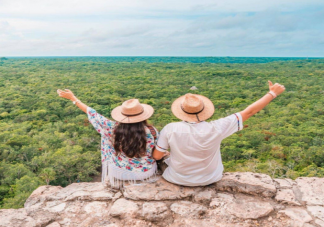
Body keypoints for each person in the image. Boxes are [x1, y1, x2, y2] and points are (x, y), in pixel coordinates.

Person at [152, 81, 285, 186]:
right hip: (210, 178)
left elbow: (157, 156)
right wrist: (272, 93)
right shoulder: (217, 127)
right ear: (204, 110)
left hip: (176, 178)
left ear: (181, 111)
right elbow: (249, 111)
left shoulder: (170, 128)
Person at [57, 89, 159, 187]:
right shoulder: (152, 131)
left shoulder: (111, 128)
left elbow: (92, 113)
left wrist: (73, 98)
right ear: (143, 115)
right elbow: (156, 154)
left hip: (119, 172)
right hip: (145, 173)